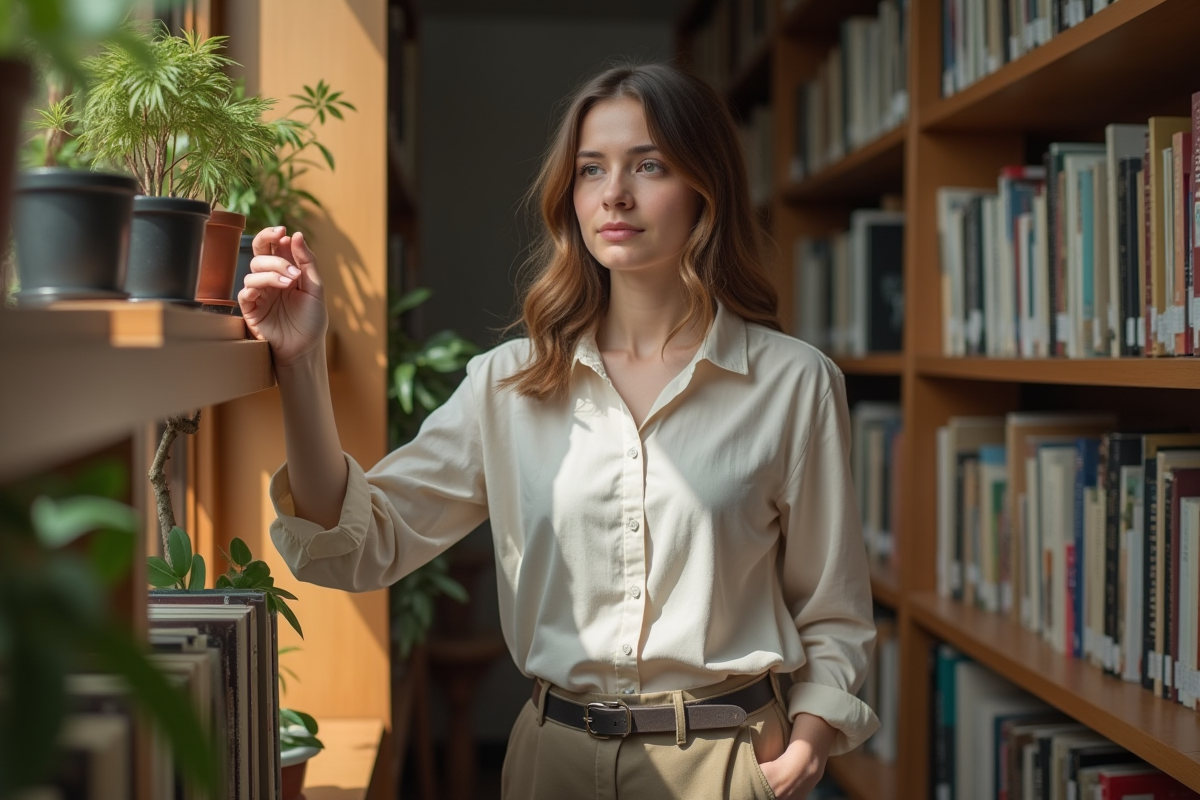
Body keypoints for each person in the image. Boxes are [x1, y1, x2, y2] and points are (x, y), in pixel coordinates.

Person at [241, 61, 878, 800]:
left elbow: (834, 608)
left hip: (729, 765)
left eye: (649, 164)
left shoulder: (793, 382)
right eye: (590, 170)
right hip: (553, 764)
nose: (615, 193)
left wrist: (808, 743)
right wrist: (302, 364)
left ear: (706, 187)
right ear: (569, 196)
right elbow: (357, 545)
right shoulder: (507, 383)